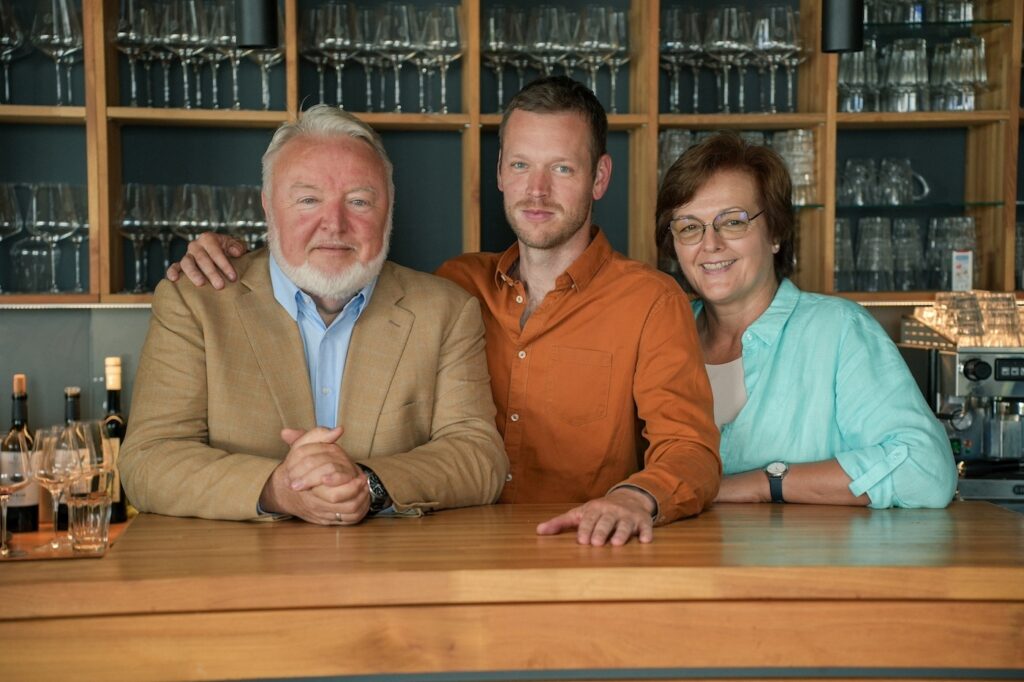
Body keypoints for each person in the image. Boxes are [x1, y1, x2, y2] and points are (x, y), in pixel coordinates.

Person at [167, 77, 722, 546]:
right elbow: (331, 251)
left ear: (599, 177)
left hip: (578, 550)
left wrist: (635, 498)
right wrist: (239, 253)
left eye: (563, 170)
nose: (536, 190)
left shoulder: (651, 301)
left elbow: (691, 450)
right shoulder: (457, 285)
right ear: (500, 171)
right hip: (445, 553)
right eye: (522, 164)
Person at [120, 105, 508, 525]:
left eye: (359, 201)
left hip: (394, 576)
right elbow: (148, 460)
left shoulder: (446, 310)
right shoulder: (195, 303)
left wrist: (367, 484)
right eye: (308, 200)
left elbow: (479, 457)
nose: (334, 225)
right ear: (268, 207)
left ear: (389, 209)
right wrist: (277, 489)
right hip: (235, 579)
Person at [656, 131, 957, 507]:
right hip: (674, 563)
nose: (710, 243)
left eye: (733, 222)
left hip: (800, 565)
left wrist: (766, 483)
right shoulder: (659, 332)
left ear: (776, 233)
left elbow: (926, 471)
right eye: (689, 227)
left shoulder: (838, 331)